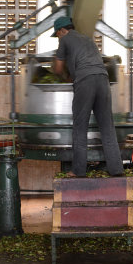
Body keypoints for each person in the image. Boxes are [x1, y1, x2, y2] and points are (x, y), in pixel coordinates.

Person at [52, 16, 124, 177]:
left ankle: (78, 170)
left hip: (85, 81)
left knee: (79, 127)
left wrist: (64, 77)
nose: (57, 37)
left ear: (62, 30)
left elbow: (57, 69)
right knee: (107, 128)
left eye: (57, 34)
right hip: (103, 80)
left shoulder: (64, 40)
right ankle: (117, 170)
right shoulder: (87, 39)